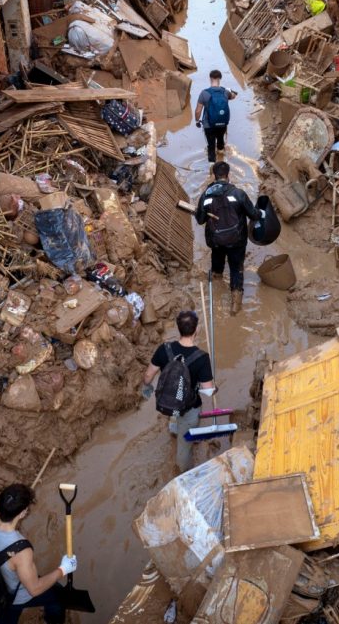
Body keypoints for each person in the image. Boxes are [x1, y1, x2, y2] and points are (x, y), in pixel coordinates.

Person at [0, 484, 77, 624]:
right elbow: (34, 589)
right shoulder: (21, 549)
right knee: (57, 595)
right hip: (15, 596)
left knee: (6, 618)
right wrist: (63, 569)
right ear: (23, 513)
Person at [141, 310, 215, 472]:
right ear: (197, 330)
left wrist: (146, 387)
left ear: (178, 328)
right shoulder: (202, 357)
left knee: (175, 414)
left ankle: (174, 429)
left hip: (169, 400)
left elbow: (148, 375)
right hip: (190, 407)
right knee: (184, 448)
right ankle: (184, 472)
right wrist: (214, 388)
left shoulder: (164, 348)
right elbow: (207, 390)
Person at [195, 162, 259, 315]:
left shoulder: (206, 195)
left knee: (217, 262)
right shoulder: (239, 194)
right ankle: (235, 303)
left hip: (216, 241)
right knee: (236, 269)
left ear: (214, 176)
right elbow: (254, 215)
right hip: (237, 241)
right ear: (228, 175)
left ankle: (216, 282)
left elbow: (200, 220)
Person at [195, 69, 237, 162]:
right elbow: (234, 96)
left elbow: (198, 111)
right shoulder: (225, 92)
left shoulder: (204, 93)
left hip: (208, 125)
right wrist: (230, 91)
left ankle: (212, 168)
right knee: (220, 140)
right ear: (220, 78)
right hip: (222, 123)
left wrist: (197, 121)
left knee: (211, 146)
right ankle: (221, 158)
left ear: (210, 78)